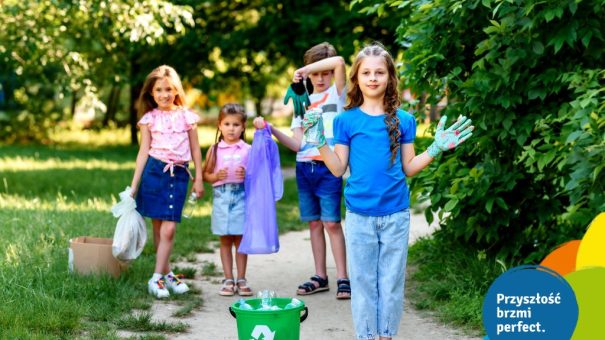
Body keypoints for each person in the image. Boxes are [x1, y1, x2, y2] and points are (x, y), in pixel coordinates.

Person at [302, 43, 473, 340]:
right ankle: (367, 336)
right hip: (359, 216)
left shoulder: (404, 119)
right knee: (364, 284)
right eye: (366, 73)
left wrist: (435, 148)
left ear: (390, 77)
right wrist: (319, 143)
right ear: (356, 78)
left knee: (391, 284)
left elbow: (409, 166)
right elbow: (338, 168)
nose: (372, 78)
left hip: (395, 215)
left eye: (379, 72)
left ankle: (386, 336)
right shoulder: (346, 120)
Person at [253, 42, 351, 299]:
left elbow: (339, 61)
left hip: (330, 166)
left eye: (323, 72)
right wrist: (272, 129)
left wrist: (304, 68)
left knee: (331, 223)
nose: (319, 78)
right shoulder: (302, 102)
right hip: (304, 168)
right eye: (315, 74)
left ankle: (343, 277)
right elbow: (297, 144)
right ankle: (321, 276)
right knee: (315, 224)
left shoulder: (338, 97)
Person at [130, 65, 204, 299]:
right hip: (154, 173)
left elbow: (195, 149)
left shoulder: (187, 116)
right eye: (159, 90)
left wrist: (199, 178)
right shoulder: (148, 119)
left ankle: (156, 278)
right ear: (151, 94)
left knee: (169, 229)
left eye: (168, 89)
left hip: (178, 174)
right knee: (158, 228)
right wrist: (134, 185)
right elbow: (143, 152)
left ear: (176, 91)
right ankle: (168, 273)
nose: (164, 94)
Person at [203, 103, 253, 297]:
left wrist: (247, 174)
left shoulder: (248, 150)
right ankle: (227, 278)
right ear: (219, 125)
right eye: (227, 124)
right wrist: (216, 177)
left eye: (236, 124)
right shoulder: (214, 150)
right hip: (221, 198)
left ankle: (241, 278)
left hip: (242, 196)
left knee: (240, 240)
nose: (231, 128)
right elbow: (206, 174)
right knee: (225, 239)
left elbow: (258, 176)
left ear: (243, 127)